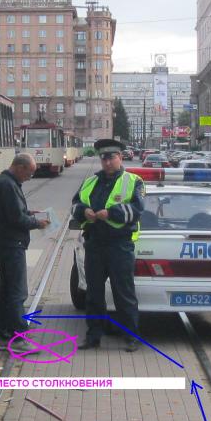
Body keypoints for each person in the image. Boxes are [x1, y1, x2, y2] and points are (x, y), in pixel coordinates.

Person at [70, 138, 145, 351]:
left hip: (119, 246)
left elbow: (137, 210)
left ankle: (131, 337)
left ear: (120, 157)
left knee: (124, 293)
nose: (108, 162)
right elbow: (75, 203)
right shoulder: (90, 182)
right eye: (104, 158)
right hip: (94, 244)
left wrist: (110, 213)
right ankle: (93, 336)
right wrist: (83, 211)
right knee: (93, 294)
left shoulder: (134, 181)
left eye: (111, 158)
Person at [0, 152, 49, 345]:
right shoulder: (8, 185)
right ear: (19, 167)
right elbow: (15, 218)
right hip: (12, 244)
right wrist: (37, 222)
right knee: (18, 291)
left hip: (5, 242)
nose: (30, 177)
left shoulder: (2, 181)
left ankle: (4, 333)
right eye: (29, 173)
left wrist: (27, 212)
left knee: (6, 289)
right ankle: (18, 338)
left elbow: (11, 212)